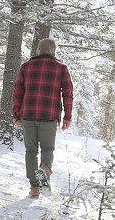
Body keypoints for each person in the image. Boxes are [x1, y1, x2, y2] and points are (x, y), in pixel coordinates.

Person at [13, 38, 73, 198]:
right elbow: (68, 93)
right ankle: (45, 171)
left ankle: (34, 188)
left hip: (28, 114)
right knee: (47, 149)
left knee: (30, 151)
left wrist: (16, 115)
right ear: (54, 52)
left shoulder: (26, 67)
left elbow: (18, 92)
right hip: (49, 116)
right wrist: (68, 116)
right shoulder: (61, 68)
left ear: (38, 51)